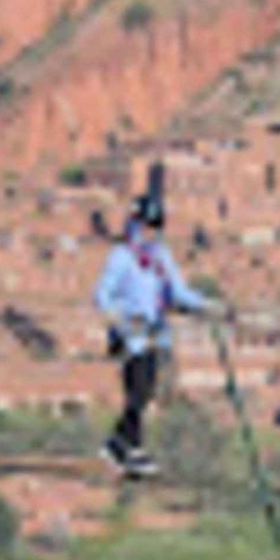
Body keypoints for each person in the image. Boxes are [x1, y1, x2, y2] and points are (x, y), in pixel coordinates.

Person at [93, 185, 225, 476]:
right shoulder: (121, 256)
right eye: (145, 226)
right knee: (138, 389)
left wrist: (208, 306)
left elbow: (178, 291)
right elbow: (102, 294)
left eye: (154, 227)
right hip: (131, 334)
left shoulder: (160, 257)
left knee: (146, 390)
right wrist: (119, 320)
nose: (149, 232)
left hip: (155, 333)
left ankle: (117, 445)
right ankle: (132, 449)